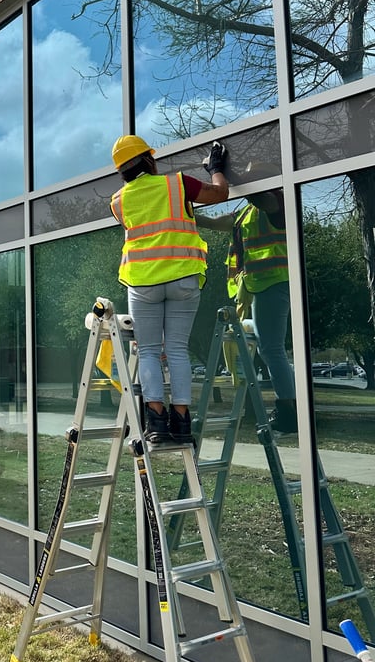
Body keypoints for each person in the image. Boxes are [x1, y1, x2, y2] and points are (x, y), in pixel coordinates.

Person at [110, 135, 230, 445]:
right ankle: (181, 421)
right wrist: (215, 167)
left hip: (142, 283)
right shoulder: (178, 184)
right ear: (149, 160)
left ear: (121, 171)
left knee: (148, 351)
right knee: (177, 350)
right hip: (183, 278)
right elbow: (220, 193)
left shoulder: (118, 202)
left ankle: (157, 423)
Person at [197, 188, 297, 434]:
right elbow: (219, 222)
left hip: (274, 281)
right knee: (267, 347)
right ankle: (289, 407)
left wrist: (243, 183)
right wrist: (188, 213)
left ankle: (289, 410)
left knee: (271, 348)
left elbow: (264, 199)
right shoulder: (246, 214)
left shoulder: (276, 204)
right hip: (258, 286)